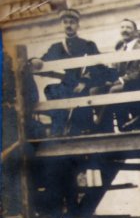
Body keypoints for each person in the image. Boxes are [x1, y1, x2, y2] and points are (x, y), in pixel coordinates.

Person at [29, 8, 103, 136]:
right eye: (65, 22)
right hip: (67, 84)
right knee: (50, 89)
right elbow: (43, 60)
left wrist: (84, 82)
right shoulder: (57, 47)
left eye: (72, 22)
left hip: (83, 85)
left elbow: (98, 67)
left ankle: (80, 129)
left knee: (82, 103)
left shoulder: (88, 45)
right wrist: (34, 60)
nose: (69, 25)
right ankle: (59, 126)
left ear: (78, 25)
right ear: (61, 25)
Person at [90, 18, 140, 132]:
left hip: (135, 84)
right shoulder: (120, 50)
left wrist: (121, 80)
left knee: (114, 90)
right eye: (122, 27)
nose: (124, 30)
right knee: (95, 90)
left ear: (135, 32)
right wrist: (109, 78)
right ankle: (107, 127)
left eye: (128, 27)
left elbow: (139, 71)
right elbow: (113, 69)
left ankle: (98, 125)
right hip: (119, 84)